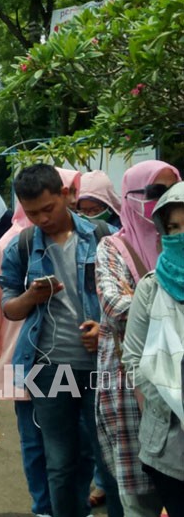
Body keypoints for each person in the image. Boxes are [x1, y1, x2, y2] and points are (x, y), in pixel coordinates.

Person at [0, 164, 119, 517]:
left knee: (109, 460)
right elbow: (9, 307)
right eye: (32, 212)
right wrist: (31, 298)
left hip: (101, 366)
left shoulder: (103, 237)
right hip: (48, 370)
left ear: (67, 196)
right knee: (60, 461)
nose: (41, 219)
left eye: (48, 209)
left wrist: (105, 329)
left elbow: (130, 299)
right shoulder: (21, 245)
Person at [95, 161, 179, 515]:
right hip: (129, 384)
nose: (159, 203)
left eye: (169, 191)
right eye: (153, 193)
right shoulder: (113, 246)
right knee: (139, 495)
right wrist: (159, 302)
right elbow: (114, 305)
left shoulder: (174, 241)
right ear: (130, 198)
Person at [123, 181, 184, 517]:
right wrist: (171, 397)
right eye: (173, 227)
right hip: (168, 446)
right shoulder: (152, 287)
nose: (180, 235)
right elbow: (133, 359)